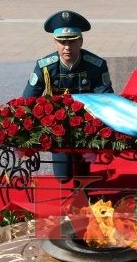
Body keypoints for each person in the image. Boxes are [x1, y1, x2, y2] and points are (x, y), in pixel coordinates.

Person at [23, 10, 114, 181]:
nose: (67, 47)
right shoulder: (45, 67)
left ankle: (82, 174)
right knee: (63, 177)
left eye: (72, 41)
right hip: (58, 129)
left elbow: (107, 100)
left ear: (81, 41)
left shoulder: (96, 65)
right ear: (55, 42)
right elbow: (27, 100)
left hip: (86, 128)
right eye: (62, 41)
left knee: (82, 176)